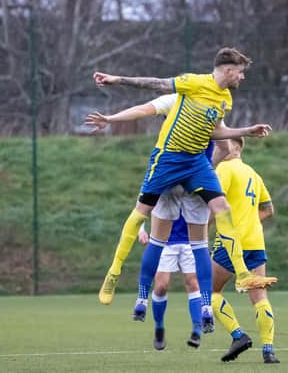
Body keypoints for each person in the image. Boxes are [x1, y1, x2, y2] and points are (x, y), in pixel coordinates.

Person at [91, 47, 277, 313]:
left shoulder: (225, 99)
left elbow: (217, 132)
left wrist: (248, 130)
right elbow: (155, 85)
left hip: (196, 162)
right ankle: (114, 272)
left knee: (222, 208)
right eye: (241, 72)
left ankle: (243, 273)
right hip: (168, 159)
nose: (242, 78)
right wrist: (117, 81)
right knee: (140, 214)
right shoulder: (193, 83)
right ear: (228, 70)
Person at [86, 94, 216, 331]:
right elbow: (142, 108)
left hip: (182, 174)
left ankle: (138, 294)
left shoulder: (204, 101)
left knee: (159, 235)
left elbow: (142, 108)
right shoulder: (194, 100)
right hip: (189, 176)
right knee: (190, 239)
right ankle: (118, 273)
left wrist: (110, 118)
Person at [210, 137, 280, 364]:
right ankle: (268, 350)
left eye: (225, 143)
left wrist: (198, 227)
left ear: (237, 147)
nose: (220, 147)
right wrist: (251, 220)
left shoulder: (225, 168)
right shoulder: (253, 173)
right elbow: (269, 209)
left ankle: (238, 335)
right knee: (259, 297)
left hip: (232, 241)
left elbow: (216, 205)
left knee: (208, 290)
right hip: (255, 241)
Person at [137, 215, 202, 350]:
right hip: (164, 241)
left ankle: (197, 331)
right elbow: (144, 204)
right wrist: (141, 229)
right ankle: (159, 327)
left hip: (189, 241)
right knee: (161, 286)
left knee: (193, 284)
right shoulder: (162, 192)